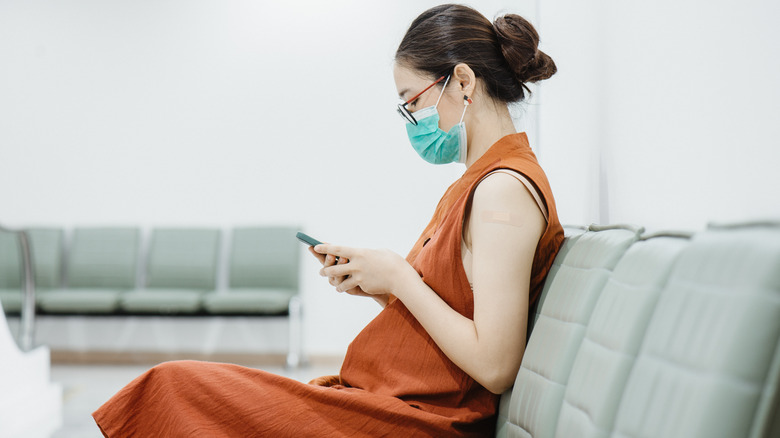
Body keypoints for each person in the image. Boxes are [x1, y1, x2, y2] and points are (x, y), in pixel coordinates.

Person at [92, 4, 564, 437]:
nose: (411, 119)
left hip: (417, 421)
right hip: (392, 401)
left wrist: (400, 277)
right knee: (181, 390)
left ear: (462, 82)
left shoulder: (503, 190)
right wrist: (384, 288)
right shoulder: (478, 183)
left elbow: (496, 364)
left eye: (412, 100)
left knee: (172, 388)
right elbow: (458, 314)